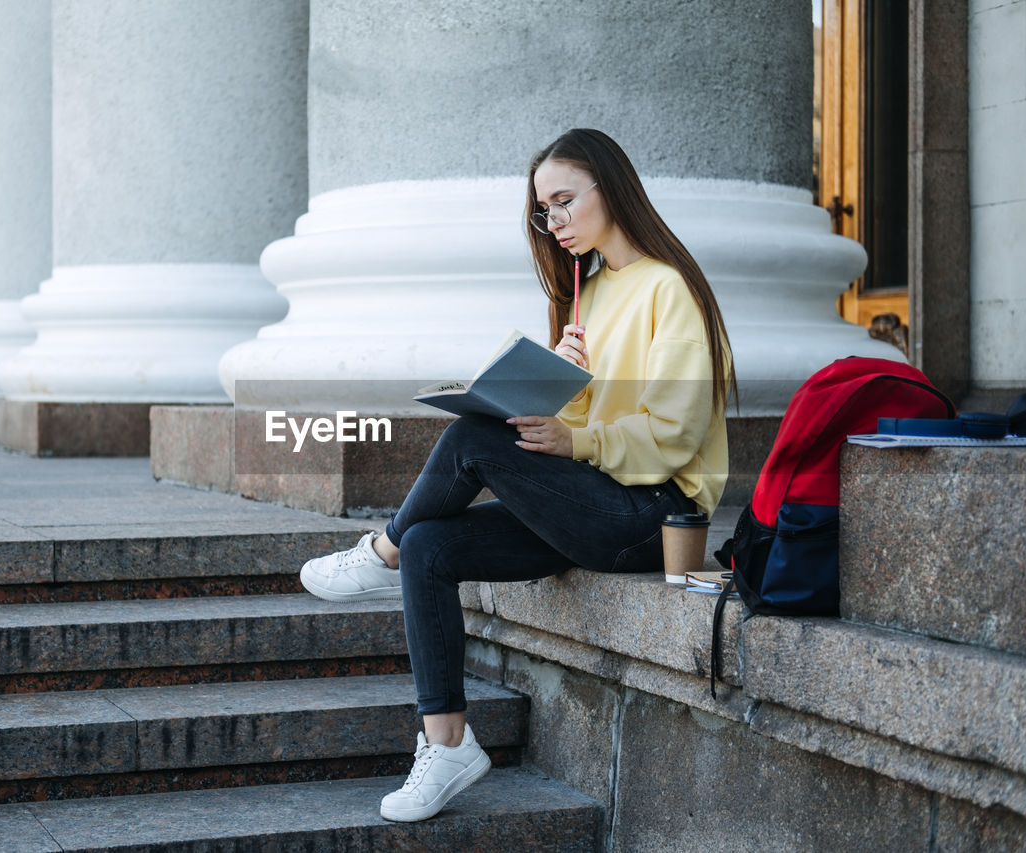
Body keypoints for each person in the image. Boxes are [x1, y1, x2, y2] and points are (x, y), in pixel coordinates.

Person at [299, 128, 735, 823]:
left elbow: (674, 433)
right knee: (430, 547)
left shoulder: (666, 288)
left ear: (611, 189)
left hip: (652, 517)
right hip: (593, 503)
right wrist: (556, 375)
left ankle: (377, 550)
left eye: (564, 201)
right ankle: (446, 742)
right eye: (544, 210)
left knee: (470, 438)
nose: (555, 221)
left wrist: (577, 434)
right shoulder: (589, 291)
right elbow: (573, 428)